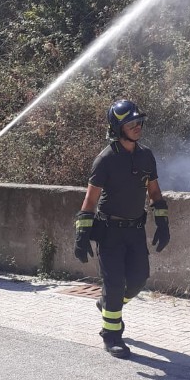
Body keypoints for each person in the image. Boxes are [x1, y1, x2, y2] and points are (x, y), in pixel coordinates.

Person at [74, 99, 170, 359]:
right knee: (114, 283)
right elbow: (90, 200)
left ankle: (107, 305)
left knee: (138, 279)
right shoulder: (105, 160)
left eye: (139, 122)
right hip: (110, 232)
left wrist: (162, 221)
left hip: (135, 231)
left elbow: (154, 191)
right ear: (118, 128)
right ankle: (111, 333)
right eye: (131, 123)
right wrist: (82, 235)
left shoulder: (146, 155)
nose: (137, 126)